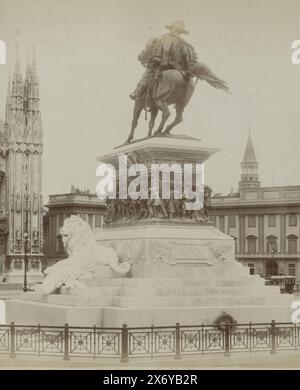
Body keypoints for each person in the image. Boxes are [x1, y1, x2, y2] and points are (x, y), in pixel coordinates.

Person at [130, 21, 198, 101]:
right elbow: (188, 61)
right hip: (179, 70)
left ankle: (137, 93)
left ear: (172, 29)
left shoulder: (165, 38)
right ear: (180, 32)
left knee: (147, 74)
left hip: (162, 67)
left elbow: (156, 54)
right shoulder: (185, 44)